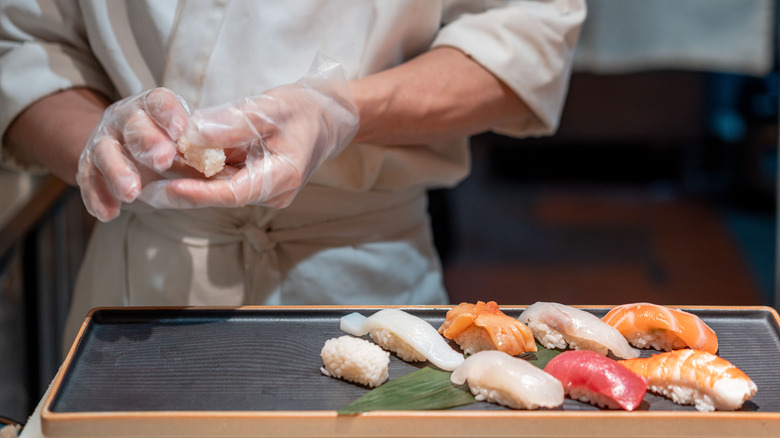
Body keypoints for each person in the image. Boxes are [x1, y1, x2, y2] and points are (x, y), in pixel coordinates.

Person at [0, 1, 586, 348]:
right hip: (141, 283)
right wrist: (101, 141)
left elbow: (527, 33)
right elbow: (22, 44)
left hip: (367, 274)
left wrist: (341, 112)